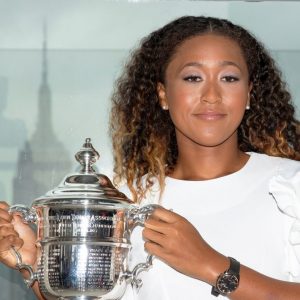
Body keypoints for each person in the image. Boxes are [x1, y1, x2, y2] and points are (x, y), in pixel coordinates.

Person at [0, 15, 300, 300]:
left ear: (249, 93)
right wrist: (33, 264)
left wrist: (211, 265)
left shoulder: (291, 186)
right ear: (163, 95)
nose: (211, 95)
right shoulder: (125, 198)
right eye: (193, 77)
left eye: (229, 78)